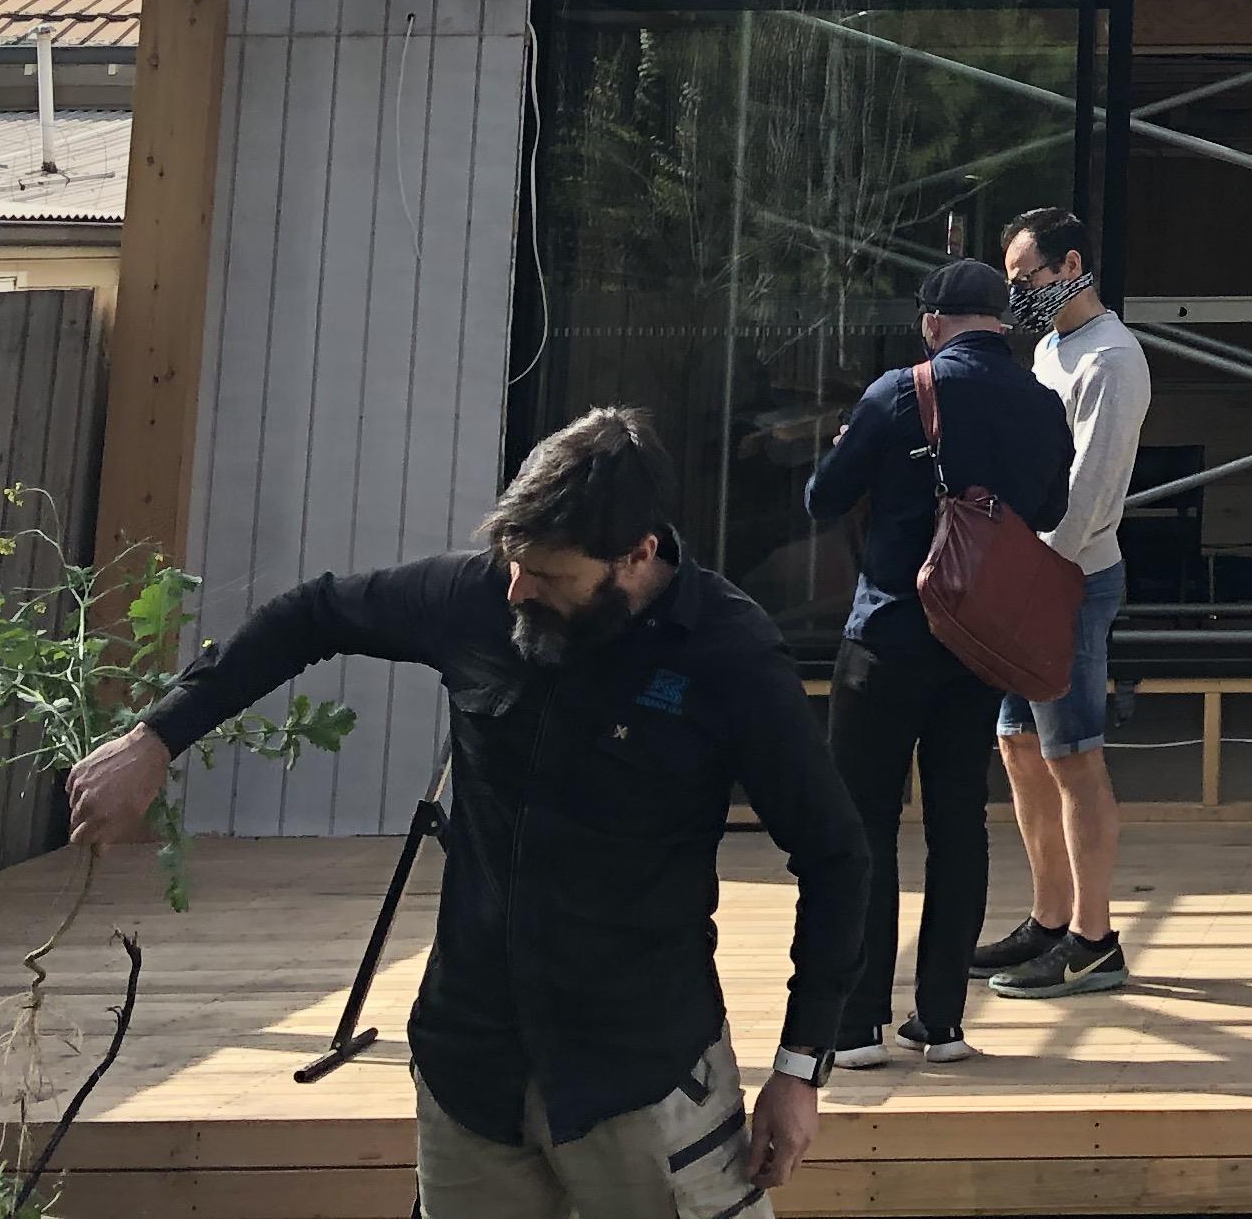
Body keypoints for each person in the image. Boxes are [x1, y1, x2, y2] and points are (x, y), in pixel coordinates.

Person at [64, 410, 867, 1219]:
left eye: (548, 577)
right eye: (513, 563)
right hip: (468, 1067)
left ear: (637, 557)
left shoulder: (728, 655)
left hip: (641, 1076)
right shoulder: (479, 595)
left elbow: (835, 856)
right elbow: (314, 614)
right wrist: (156, 738)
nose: (517, 588)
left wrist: (800, 1069)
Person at [800, 257, 1071, 1063]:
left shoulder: (898, 392)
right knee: (960, 824)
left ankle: (856, 1025)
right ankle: (944, 1023)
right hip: (980, 643)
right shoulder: (1041, 403)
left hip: (887, 636)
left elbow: (821, 498)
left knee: (864, 825)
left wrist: (858, 448)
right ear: (1003, 320)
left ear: (931, 322)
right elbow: (1050, 510)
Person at [978, 210, 1152, 998]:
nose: (1019, 295)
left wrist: (1039, 578)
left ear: (1071, 262)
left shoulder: (1112, 359)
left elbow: (1090, 495)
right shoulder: (1052, 350)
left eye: (1027, 278)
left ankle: (1094, 938)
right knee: (1019, 746)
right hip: (1031, 578)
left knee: (1073, 756)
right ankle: (1049, 921)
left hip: (1069, 580)